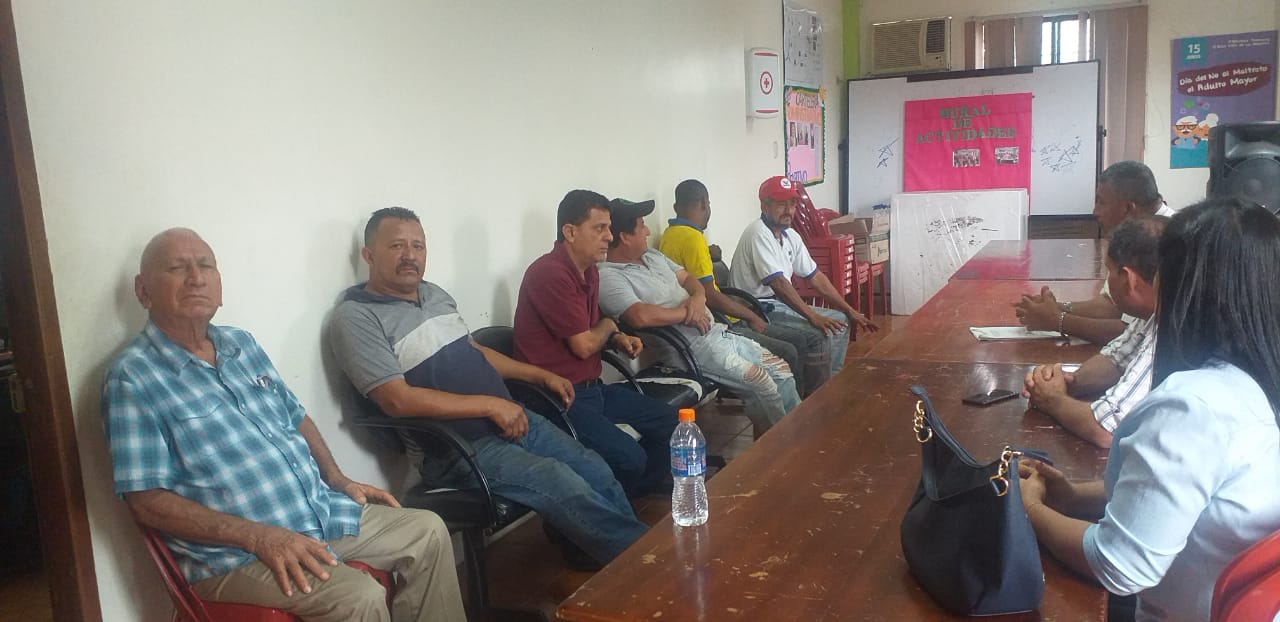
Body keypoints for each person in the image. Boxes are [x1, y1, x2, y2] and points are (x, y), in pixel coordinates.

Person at [102, 228, 465, 622]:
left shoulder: (241, 345)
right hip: (235, 554)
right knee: (358, 597)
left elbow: (296, 417)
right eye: (177, 268)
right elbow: (147, 502)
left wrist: (337, 479)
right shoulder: (134, 377)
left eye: (205, 266)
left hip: (317, 514)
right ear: (143, 290)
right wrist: (258, 536)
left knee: (427, 530)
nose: (195, 278)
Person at [329, 207, 647, 568]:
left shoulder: (434, 295)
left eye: (418, 246)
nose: (410, 256)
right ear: (369, 255)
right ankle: (642, 564)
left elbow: (475, 352)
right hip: (457, 449)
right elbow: (396, 400)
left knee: (594, 467)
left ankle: (611, 558)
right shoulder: (356, 317)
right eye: (397, 246)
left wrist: (538, 375)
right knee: (560, 480)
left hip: (512, 419)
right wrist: (490, 406)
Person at [1018, 197, 1280, 622]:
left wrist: (1031, 511)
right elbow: (1190, 493)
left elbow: (1119, 565)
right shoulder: (1257, 379)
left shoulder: (1192, 407)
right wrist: (1075, 495)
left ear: (1184, 286)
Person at [601, 196, 801, 438]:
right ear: (625, 236)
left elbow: (688, 278)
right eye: (642, 225)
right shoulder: (608, 276)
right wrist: (688, 313)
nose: (648, 231)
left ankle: (797, 436)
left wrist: (697, 298)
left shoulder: (652, 256)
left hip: (717, 333)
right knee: (762, 384)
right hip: (691, 349)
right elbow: (639, 316)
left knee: (782, 372)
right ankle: (784, 446)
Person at [659, 178, 828, 397]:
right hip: (720, 322)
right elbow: (709, 295)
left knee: (799, 341)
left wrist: (709, 252)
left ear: (676, 207)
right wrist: (750, 316)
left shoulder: (670, 234)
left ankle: (797, 402)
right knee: (792, 348)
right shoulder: (694, 238)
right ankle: (794, 407)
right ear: (704, 204)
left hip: (698, 322)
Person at [1021, 216, 1166, 448]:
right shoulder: (1152, 313)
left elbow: (1106, 430)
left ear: (1129, 279)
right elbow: (1115, 360)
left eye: (1109, 271)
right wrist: (1068, 382)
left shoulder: (1174, 328)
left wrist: (1053, 399)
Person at [728, 175, 877, 382]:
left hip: (776, 304)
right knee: (821, 330)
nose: (789, 210)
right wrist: (812, 316)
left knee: (841, 321)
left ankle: (829, 383)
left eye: (792, 204)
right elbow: (779, 284)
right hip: (756, 308)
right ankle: (817, 392)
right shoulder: (758, 233)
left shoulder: (790, 236)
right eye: (781, 204)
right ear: (764, 205)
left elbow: (816, 277)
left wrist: (849, 310)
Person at [1015, 161, 1176, 345]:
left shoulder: (1166, 240)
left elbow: (1132, 332)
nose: (1095, 211)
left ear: (1128, 208)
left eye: (1101, 202)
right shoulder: (1136, 231)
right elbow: (1112, 305)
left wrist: (1057, 320)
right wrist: (1057, 307)